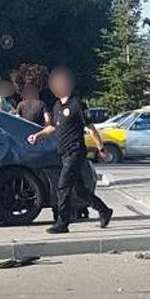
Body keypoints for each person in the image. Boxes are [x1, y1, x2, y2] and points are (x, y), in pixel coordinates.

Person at [26, 66, 112, 234]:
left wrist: (101, 148)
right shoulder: (57, 106)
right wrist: (37, 135)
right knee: (79, 190)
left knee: (63, 187)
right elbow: (52, 127)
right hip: (64, 153)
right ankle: (104, 210)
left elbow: (91, 129)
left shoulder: (77, 104)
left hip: (76, 151)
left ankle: (62, 223)